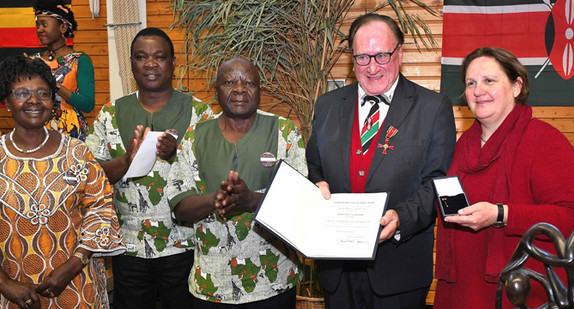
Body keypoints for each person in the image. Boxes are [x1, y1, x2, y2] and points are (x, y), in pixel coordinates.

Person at [306, 14, 457, 309]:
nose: (372, 67)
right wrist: (317, 182)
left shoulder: (433, 107)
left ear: (399, 53)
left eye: (382, 56)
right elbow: (315, 166)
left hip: (399, 271)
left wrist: (401, 218)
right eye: (362, 57)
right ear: (352, 58)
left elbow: (437, 184)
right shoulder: (326, 105)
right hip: (336, 271)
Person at [434, 47, 574, 308]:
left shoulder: (544, 139)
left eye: (489, 81)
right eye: (471, 83)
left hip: (518, 290)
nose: (478, 91)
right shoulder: (465, 142)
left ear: (517, 86)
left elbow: (569, 217)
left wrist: (501, 214)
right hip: (459, 290)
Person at [85, 28, 213, 309]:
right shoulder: (110, 113)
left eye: (160, 57)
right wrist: (125, 162)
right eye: (141, 57)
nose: (151, 64)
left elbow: (215, 171)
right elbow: (90, 177)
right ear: (131, 62)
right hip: (129, 246)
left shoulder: (200, 113)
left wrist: (176, 153)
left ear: (173, 63)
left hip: (185, 245)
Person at [166, 58, 306, 308]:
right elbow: (178, 205)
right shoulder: (194, 137)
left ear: (259, 90)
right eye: (229, 82)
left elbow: (300, 206)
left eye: (249, 83)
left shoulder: (284, 132)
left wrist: (251, 200)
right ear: (216, 90)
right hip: (211, 286)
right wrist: (214, 199)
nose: (239, 89)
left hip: (272, 284)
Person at [0, 55, 125, 308]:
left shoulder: (77, 152)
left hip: (79, 286)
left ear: (52, 101)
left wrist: (73, 265)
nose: (34, 100)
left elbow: (101, 208)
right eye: (22, 93)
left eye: (43, 93)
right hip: (12, 292)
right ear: (6, 102)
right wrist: (5, 284)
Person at [31, 0, 95, 140]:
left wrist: (54, 84)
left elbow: (88, 105)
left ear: (63, 27)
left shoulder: (79, 60)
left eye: (44, 24)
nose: (39, 29)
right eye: (37, 25)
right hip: (37, 129)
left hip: (70, 132)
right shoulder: (33, 61)